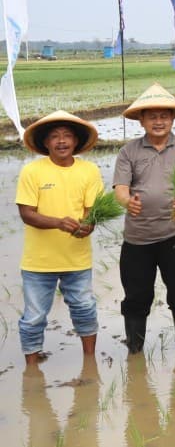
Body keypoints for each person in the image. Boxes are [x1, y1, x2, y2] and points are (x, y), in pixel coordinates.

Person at [113, 83, 175, 354]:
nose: (158, 121)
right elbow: (120, 189)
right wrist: (127, 201)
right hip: (137, 238)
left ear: (173, 118)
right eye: (152, 116)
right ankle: (135, 347)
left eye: (164, 116)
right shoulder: (128, 152)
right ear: (141, 120)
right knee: (136, 295)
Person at [16, 111, 103, 365]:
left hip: (77, 260)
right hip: (38, 263)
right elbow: (26, 214)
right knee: (33, 317)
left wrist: (88, 226)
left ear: (76, 141)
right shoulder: (32, 172)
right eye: (55, 136)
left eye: (67, 136)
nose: (61, 141)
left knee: (85, 309)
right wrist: (58, 223)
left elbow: (91, 214)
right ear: (45, 143)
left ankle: (90, 363)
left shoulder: (89, 171)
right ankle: (31, 370)